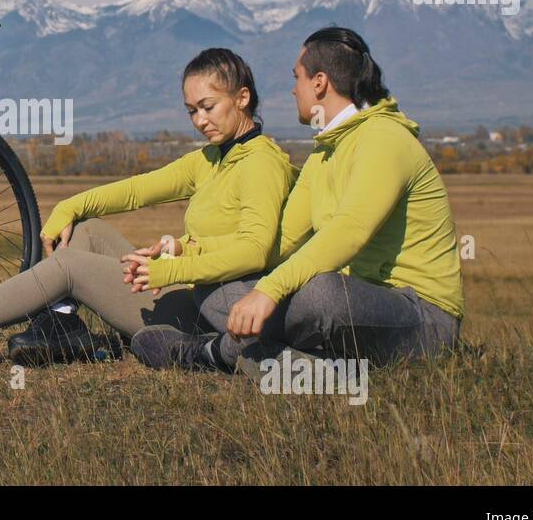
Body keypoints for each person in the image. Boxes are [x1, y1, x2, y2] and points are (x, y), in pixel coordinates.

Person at [0, 48, 296, 373]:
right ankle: (63, 329)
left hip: (204, 313)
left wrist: (170, 270)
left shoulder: (261, 162)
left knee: (70, 266)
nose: (199, 120)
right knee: (85, 231)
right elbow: (137, 190)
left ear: (242, 98)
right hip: (187, 287)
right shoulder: (214, 158)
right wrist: (72, 205)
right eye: (190, 111)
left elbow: (256, 251)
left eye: (208, 107)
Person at [131, 27, 465, 373]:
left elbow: (349, 231)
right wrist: (189, 251)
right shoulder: (323, 154)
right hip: (359, 309)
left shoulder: (384, 139)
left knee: (323, 293)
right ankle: (318, 366)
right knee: (220, 289)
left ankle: (213, 354)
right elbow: (282, 241)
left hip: (422, 319)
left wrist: (270, 292)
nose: (293, 90)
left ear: (319, 83)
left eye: (297, 78)